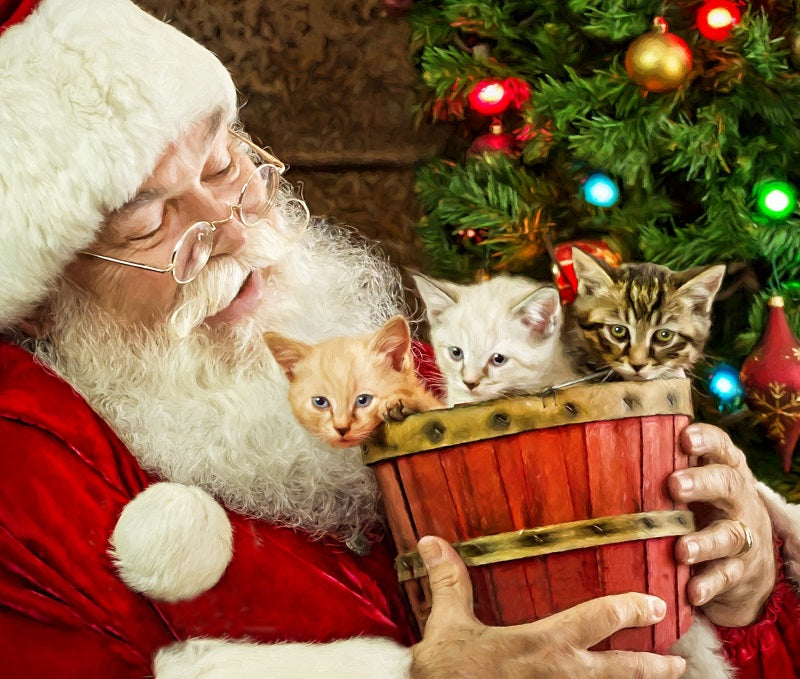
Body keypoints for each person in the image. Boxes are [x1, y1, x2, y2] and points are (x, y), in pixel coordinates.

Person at [0, 0, 798, 677]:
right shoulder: (25, 483)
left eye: (223, 163)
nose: (230, 229)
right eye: (147, 219)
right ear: (38, 300)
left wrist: (740, 595)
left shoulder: (395, 370)